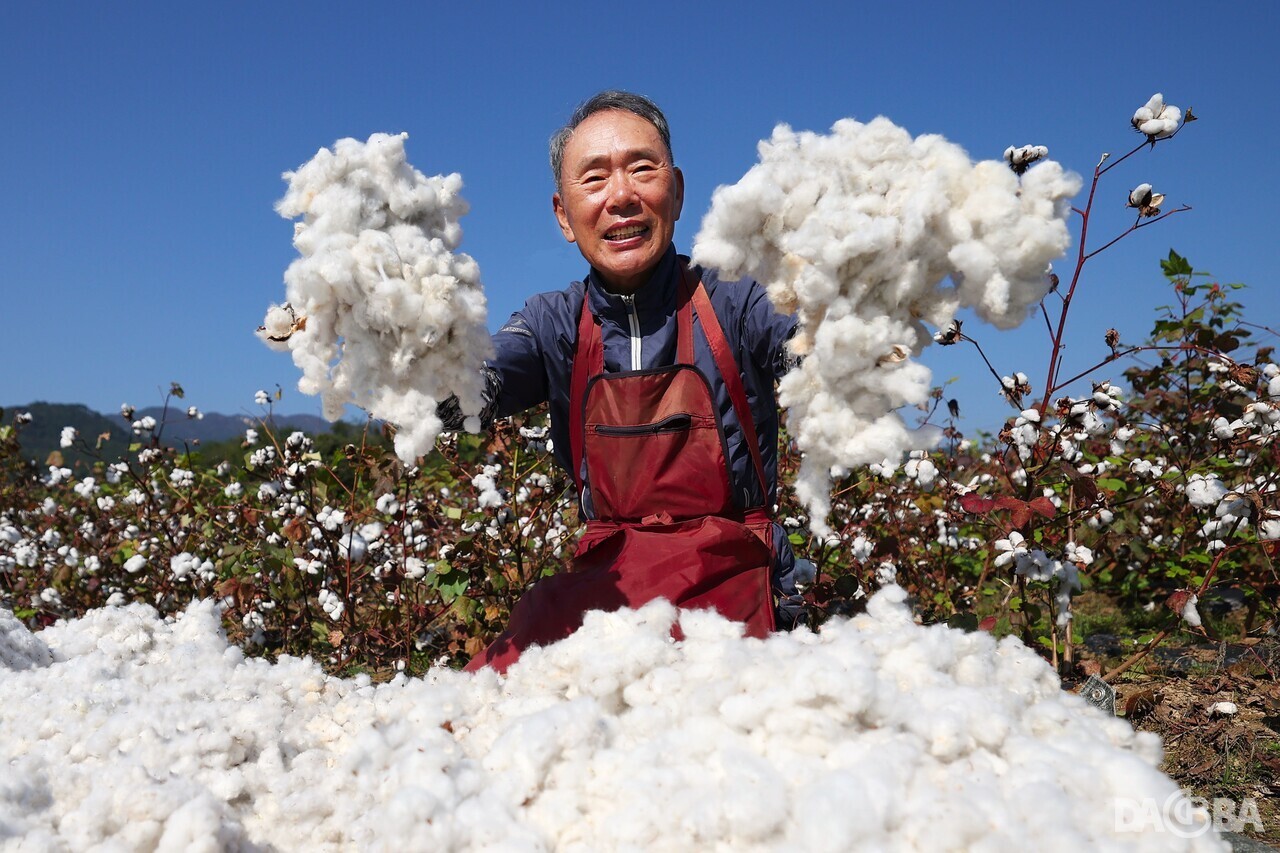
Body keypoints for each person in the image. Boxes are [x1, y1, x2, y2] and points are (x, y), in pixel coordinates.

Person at [443, 90, 803, 672]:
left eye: (642, 169)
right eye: (595, 179)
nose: (621, 197)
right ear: (564, 215)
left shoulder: (738, 299)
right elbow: (472, 384)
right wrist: (422, 364)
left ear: (678, 192)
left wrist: (844, 337)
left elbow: (811, 348)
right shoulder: (551, 325)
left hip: (737, 591)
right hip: (607, 600)